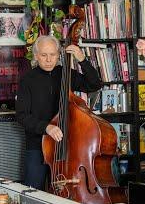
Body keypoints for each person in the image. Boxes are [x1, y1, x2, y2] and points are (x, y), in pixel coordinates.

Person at [15, 35, 103, 190]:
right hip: (38, 146)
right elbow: (22, 116)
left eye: (53, 55)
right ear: (36, 56)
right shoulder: (27, 80)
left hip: (68, 145)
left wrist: (82, 59)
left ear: (59, 54)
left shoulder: (66, 74)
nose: (49, 60)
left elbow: (94, 84)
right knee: (32, 191)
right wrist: (47, 127)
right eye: (43, 55)